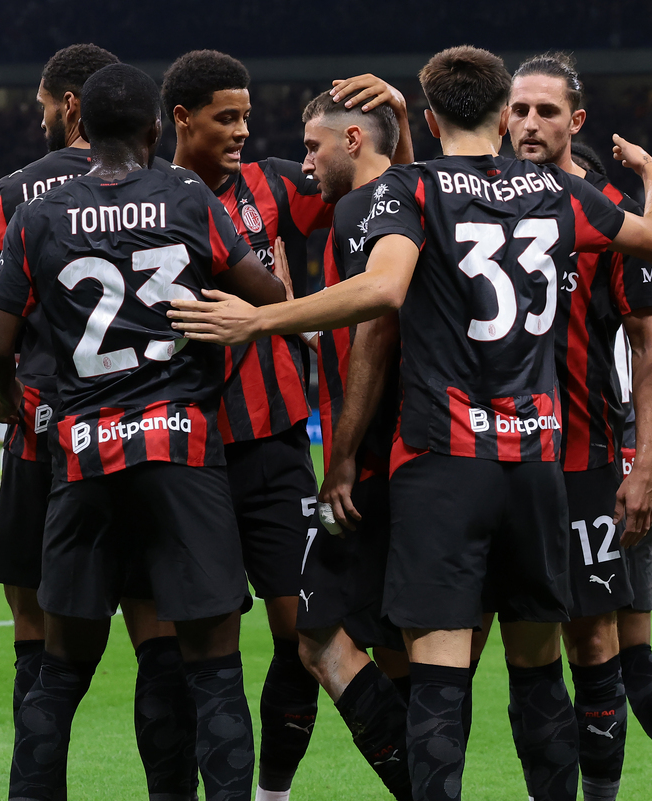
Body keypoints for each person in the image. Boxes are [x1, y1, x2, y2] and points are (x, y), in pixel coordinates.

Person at [168, 44, 652, 801]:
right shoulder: (558, 192)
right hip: (539, 469)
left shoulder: (411, 189)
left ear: (430, 117)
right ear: (507, 117)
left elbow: (383, 289)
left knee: (440, 683)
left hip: (446, 465)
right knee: (540, 676)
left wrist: (261, 318)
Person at [0, 62, 288, 801]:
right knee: (211, 666)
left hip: (83, 456)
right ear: (156, 129)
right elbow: (266, 298)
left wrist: (14, 398)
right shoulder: (186, 195)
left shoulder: (37, 215)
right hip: (182, 450)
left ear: (81, 122)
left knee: (57, 673)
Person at [160, 50, 412, 801]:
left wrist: (396, 121)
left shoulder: (274, 182)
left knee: (297, 634)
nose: (244, 130)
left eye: (246, 115)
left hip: (274, 448)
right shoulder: (145, 198)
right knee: (197, 646)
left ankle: (272, 792)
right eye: (227, 117)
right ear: (182, 119)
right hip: (186, 450)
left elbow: (396, 195)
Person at [508, 53, 652, 801]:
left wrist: (644, 464)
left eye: (546, 111)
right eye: (519, 110)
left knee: (597, 641)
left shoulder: (603, 218)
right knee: (516, 647)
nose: (530, 123)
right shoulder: (477, 201)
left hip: (588, 460)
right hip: (494, 460)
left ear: (576, 121)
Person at [295, 86, 412, 801]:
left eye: (313, 145)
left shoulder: (356, 209)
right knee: (404, 651)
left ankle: (425, 786)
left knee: (317, 636)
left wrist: (340, 456)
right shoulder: (414, 196)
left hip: (371, 462)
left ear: (353, 142)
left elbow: (376, 329)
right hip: (428, 455)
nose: (306, 160)